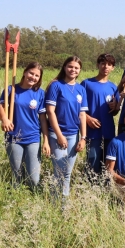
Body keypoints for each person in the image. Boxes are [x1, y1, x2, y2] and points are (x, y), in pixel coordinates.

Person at [0, 61, 48, 189]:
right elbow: (1, 107)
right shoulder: (11, 89)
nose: (33, 77)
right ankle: (16, 200)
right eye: (31, 73)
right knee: (17, 175)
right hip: (14, 137)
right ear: (25, 72)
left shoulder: (40, 93)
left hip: (33, 137)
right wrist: (4, 119)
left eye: (37, 76)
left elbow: (43, 119)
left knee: (34, 178)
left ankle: (33, 200)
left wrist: (46, 141)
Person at [45, 56, 88, 199]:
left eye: (76, 68)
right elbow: (50, 111)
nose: (73, 70)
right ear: (64, 67)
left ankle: (64, 202)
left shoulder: (81, 89)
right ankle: (55, 201)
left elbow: (82, 115)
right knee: (59, 170)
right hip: (56, 134)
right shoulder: (56, 85)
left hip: (73, 136)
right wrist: (59, 135)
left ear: (80, 70)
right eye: (70, 66)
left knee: (67, 171)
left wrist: (83, 138)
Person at [82, 53, 120, 183]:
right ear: (98, 65)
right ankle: (90, 192)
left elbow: (115, 112)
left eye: (109, 64)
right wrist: (87, 118)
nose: (106, 67)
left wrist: (115, 107)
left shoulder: (114, 87)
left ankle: (105, 191)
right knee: (93, 164)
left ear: (113, 68)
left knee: (107, 165)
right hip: (92, 133)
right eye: (103, 63)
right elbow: (77, 107)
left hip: (108, 132)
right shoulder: (86, 84)